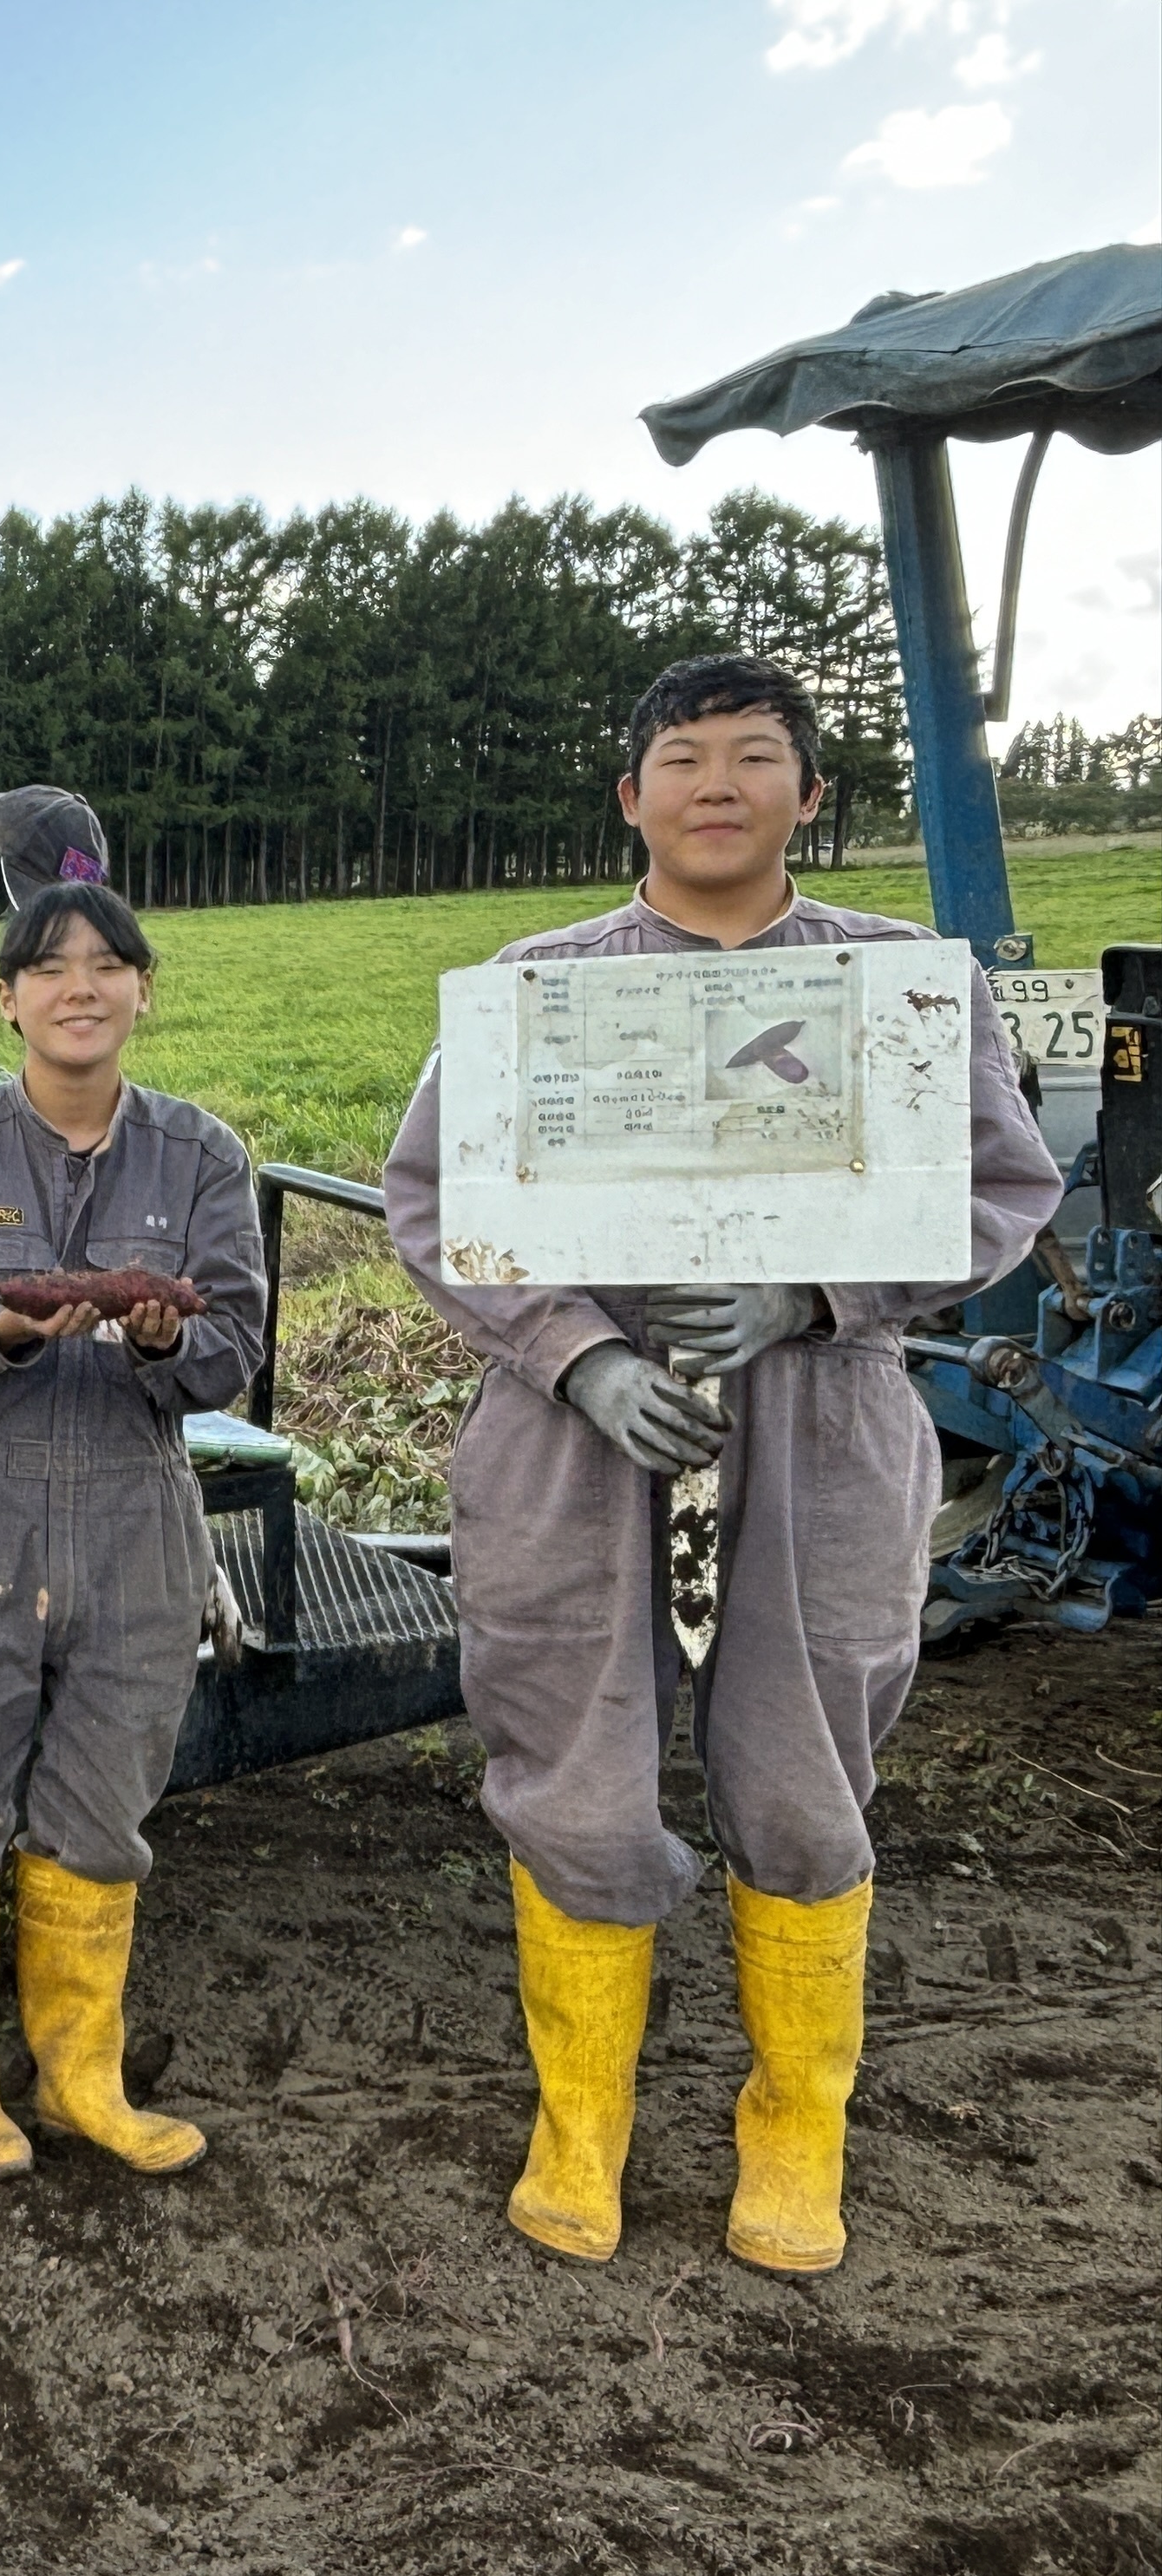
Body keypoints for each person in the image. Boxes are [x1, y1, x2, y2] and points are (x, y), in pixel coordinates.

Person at [384, 654, 1060, 2276]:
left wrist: (818, 1291)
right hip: (577, 1432)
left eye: (755, 757)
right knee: (574, 1760)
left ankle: (794, 2135)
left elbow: (1002, 1188)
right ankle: (582, 2128)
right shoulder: (540, 988)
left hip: (820, 1417)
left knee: (806, 1767)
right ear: (632, 798)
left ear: (807, 798)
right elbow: (432, 1198)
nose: (716, 785)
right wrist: (580, 1352)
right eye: (682, 758)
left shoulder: (898, 988)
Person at [0, 814, 266, 2184]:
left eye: (108, 966)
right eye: (50, 968)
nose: (80, 989)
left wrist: (164, 1346)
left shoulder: (202, 1156)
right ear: (8, 1000)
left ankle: (81, 2080)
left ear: (143, 990)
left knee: (103, 1804)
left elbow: (235, 1345)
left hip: (134, 1502)